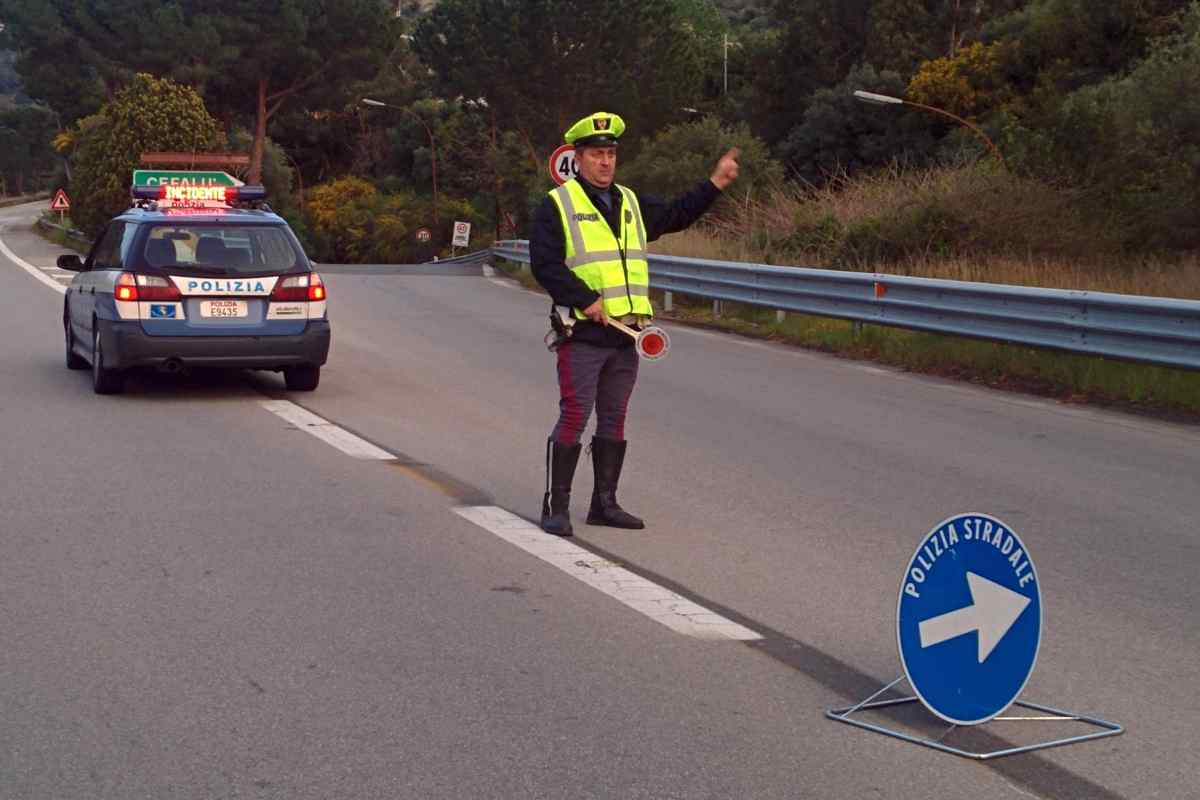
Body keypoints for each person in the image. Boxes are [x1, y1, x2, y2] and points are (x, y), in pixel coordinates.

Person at [532, 111, 740, 536]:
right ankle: (556, 506)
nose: (605, 162)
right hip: (583, 333)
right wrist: (584, 299)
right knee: (575, 416)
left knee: (615, 418)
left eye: (610, 154)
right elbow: (545, 265)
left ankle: (604, 504)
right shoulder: (558, 205)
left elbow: (678, 213)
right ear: (578, 158)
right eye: (596, 154)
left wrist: (715, 183)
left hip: (627, 334)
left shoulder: (630, 202)